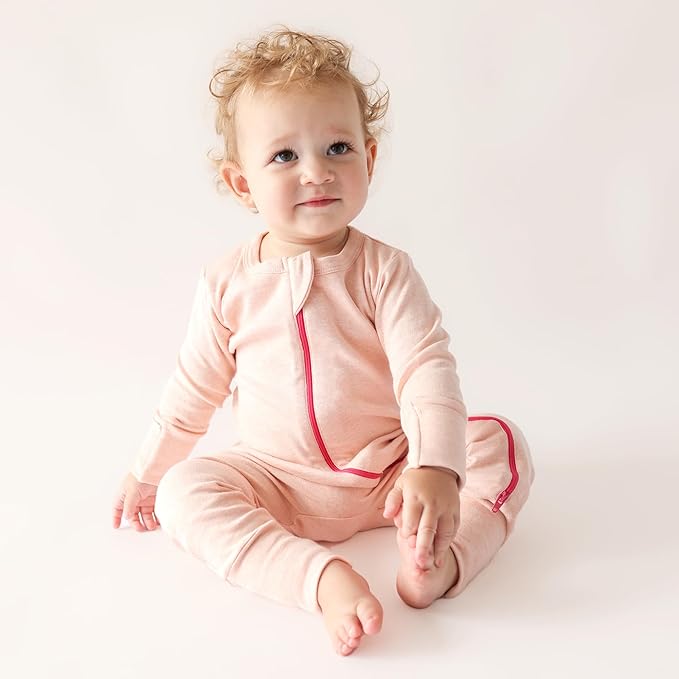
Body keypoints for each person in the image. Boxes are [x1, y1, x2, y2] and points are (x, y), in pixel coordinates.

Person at [111, 26, 535, 657]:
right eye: (284, 156)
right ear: (242, 184)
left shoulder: (385, 270)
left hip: (390, 473)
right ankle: (320, 580)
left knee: (499, 440)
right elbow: (194, 389)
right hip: (276, 480)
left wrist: (434, 466)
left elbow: (425, 369)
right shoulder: (227, 283)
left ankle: (441, 558)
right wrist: (147, 472)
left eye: (338, 147)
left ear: (368, 158)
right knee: (184, 493)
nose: (317, 171)